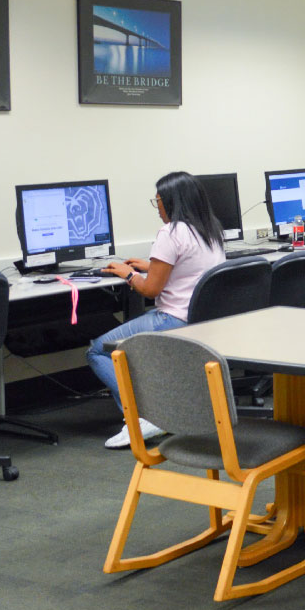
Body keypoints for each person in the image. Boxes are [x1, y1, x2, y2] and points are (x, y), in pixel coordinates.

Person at [89, 171, 226, 448]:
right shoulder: (211, 229)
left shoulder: (170, 232)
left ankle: (143, 417)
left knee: (98, 350)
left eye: (159, 201)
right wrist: (150, 265)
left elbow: (150, 291)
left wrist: (128, 274)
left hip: (172, 320)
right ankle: (156, 411)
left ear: (173, 202)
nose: (158, 208)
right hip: (203, 323)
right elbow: (191, 270)